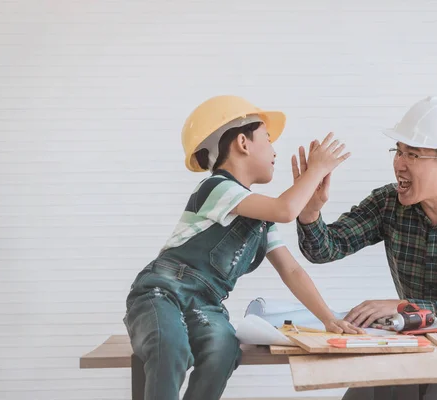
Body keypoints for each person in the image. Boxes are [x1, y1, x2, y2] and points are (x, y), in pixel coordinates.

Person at [123, 95, 364, 400]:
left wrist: (328, 318)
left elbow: (291, 269)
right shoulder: (217, 188)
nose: (275, 150)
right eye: (267, 138)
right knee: (169, 344)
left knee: (223, 349)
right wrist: (315, 170)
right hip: (162, 292)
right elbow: (285, 209)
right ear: (242, 142)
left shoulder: (261, 218)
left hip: (206, 303)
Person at [292, 96, 437, 400]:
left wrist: (405, 307)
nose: (398, 164)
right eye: (398, 151)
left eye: (413, 154)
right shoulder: (388, 204)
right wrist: (310, 212)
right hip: (413, 339)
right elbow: (325, 249)